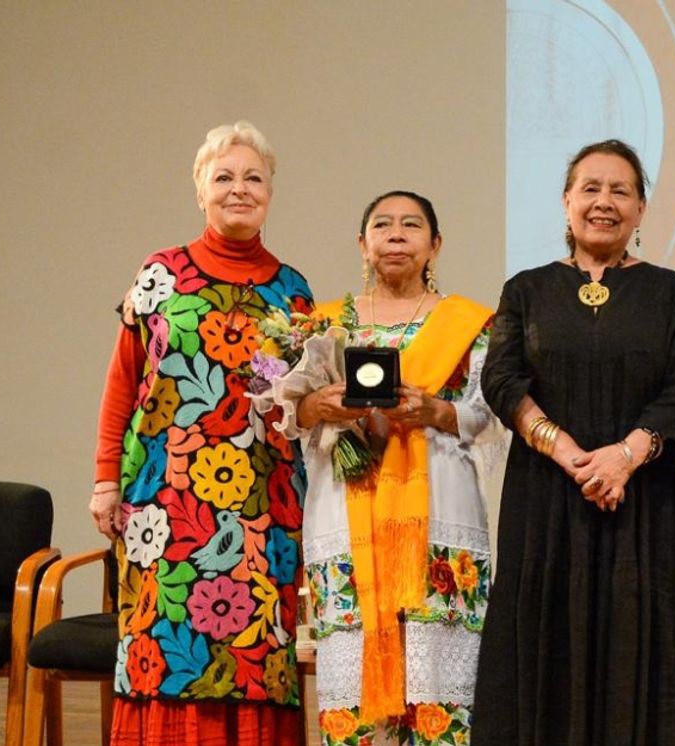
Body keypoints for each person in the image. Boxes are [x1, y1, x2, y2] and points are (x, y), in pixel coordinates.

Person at [473, 139, 675, 746]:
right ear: (566, 202)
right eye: (591, 189)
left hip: (643, 506)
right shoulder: (526, 289)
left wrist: (626, 455)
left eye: (620, 191)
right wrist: (563, 450)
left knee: (639, 646)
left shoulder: (670, 292)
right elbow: (500, 377)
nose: (604, 203)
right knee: (542, 648)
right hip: (545, 502)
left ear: (641, 210)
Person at [87, 120, 312, 744]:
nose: (239, 189)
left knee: (255, 651)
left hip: (263, 508)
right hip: (165, 498)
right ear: (199, 190)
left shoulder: (293, 293)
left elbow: (301, 405)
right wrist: (107, 480)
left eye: (253, 178)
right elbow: (123, 384)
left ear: (270, 191)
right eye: (224, 177)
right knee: (164, 649)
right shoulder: (159, 274)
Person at [279, 191, 497, 745]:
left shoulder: (469, 324)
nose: (396, 235)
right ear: (363, 243)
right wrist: (314, 407)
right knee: (350, 686)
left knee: (436, 687)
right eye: (382, 225)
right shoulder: (321, 324)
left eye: (411, 225)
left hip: (437, 511)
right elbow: (288, 415)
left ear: (435, 245)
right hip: (345, 511)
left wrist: (435, 410)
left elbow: (487, 411)